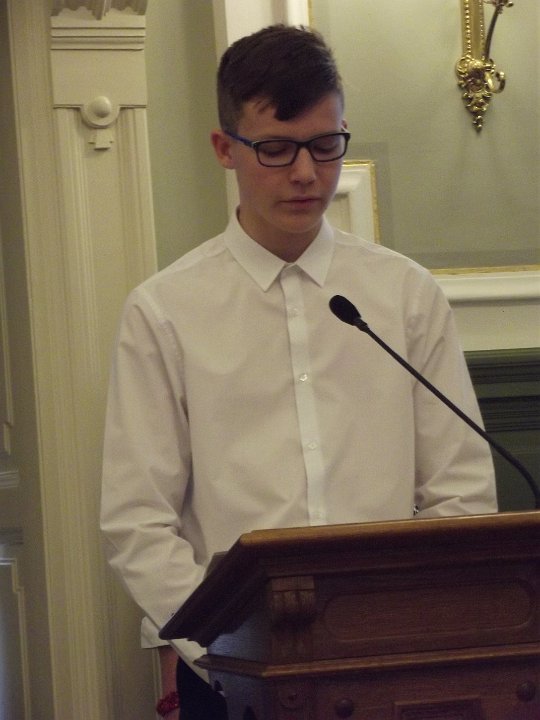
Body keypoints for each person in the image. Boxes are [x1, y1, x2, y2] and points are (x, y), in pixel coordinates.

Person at [100, 24, 498, 720]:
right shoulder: (163, 311)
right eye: (277, 149)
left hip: (390, 661)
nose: (307, 173)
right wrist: (231, 650)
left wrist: (405, 630)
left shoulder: (405, 296)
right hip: (227, 672)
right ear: (225, 148)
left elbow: (460, 493)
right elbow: (139, 521)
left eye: (325, 144)